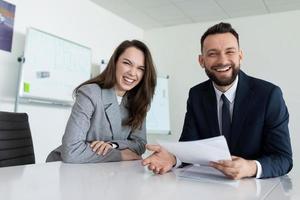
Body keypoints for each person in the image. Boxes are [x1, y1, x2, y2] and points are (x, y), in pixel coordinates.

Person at [142, 22, 293, 179]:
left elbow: (283, 158)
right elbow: (189, 145)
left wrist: (251, 167)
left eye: (230, 52)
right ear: (202, 61)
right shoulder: (196, 95)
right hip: (212, 186)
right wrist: (173, 158)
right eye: (213, 53)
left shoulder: (269, 95)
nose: (222, 60)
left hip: (258, 189)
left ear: (240, 55)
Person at [47, 40, 157, 163]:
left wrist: (113, 145)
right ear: (114, 63)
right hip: (66, 168)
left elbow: (140, 144)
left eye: (140, 68)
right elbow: (71, 151)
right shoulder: (90, 93)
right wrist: (121, 155)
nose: (132, 73)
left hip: (104, 171)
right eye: (127, 63)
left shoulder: (138, 101)